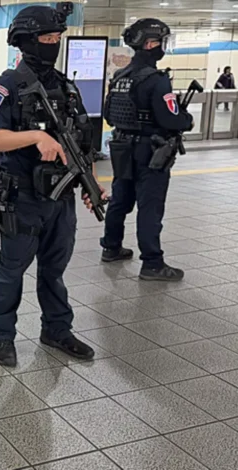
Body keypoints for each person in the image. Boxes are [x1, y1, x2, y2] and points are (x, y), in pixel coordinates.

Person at [0, 4, 101, 367]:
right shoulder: (6, 86)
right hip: (23, 198)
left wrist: (91, 184)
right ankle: (3, 337)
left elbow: (82, 142)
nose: (54, 44)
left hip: (61, 198)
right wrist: (35, 136)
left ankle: (57, 330)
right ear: (27, 41)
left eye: (57, 38)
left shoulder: (66, 87)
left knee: (54, 270)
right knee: (11, 270)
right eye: (47, 38)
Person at [101, 18, 194, 281]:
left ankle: (111, 246)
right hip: (150, 150)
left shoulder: (120, 77)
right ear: (150, 44)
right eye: (161, 42)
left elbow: (109, 115)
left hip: (121, 147)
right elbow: (170, 119)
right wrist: (186, 120)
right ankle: (152, 263)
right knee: (150, 206)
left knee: (120, 199)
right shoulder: (157, 80)